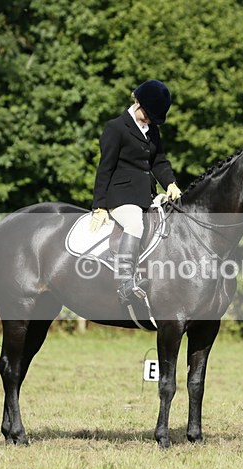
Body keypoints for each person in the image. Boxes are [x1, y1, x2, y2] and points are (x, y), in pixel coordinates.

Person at [89, 80, 182, 305]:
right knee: (134, 224)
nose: (149, 120)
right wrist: (99, 206)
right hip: (119, 196)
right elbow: (105, 168)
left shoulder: (153, 131)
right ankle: (125, 283)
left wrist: (170, 183)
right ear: (136, 100)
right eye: (148, 114)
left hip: (145, 195)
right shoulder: (116, 128)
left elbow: (159, 161)